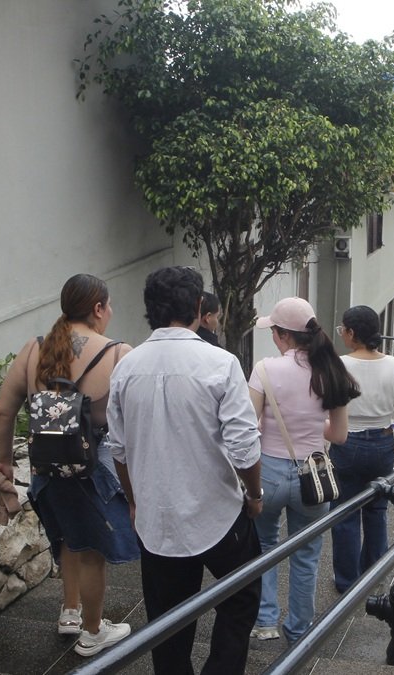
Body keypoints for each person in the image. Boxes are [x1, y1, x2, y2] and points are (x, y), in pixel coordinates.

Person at [104, 266, 264, 675]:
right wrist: (255, 494)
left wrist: (136, 502)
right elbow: (244, 448)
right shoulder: (220, 363)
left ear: (150, 310)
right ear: (198, 306)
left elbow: (118, 450)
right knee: (243, 596)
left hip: (156, 516)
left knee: (167, 621)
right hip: (218, 511)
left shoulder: (126, 367)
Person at [0, 274, 137, 657]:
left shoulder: (35, 348)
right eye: (109, 306)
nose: (110, 313)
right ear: (97, 309)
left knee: (67, 536)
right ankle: (92, 634)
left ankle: (70, 611)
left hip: (45, 466)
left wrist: (4, 462)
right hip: (93, 468)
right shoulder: (119, 353)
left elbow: (3, 411)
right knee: (91, 550)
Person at [248, 297, 360, 644]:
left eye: (274, 332)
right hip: (315, 477)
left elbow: (250, 428)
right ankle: (299, 628)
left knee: (264, 546)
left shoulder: (264, 370)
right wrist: (313, 428)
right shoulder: (331, 369)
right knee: (307, 555)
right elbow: (339, 435)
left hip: (268, 472)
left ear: (283, 335)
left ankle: (265, 620)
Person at [329, 305, 394, 594]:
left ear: (352, 333)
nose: (342, 334)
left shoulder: (339, 365)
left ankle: (346, 581)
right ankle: (374, 573)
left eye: (343, 329)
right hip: (382, 441)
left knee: (345, 513)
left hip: (347, 441)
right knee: (377, 510)